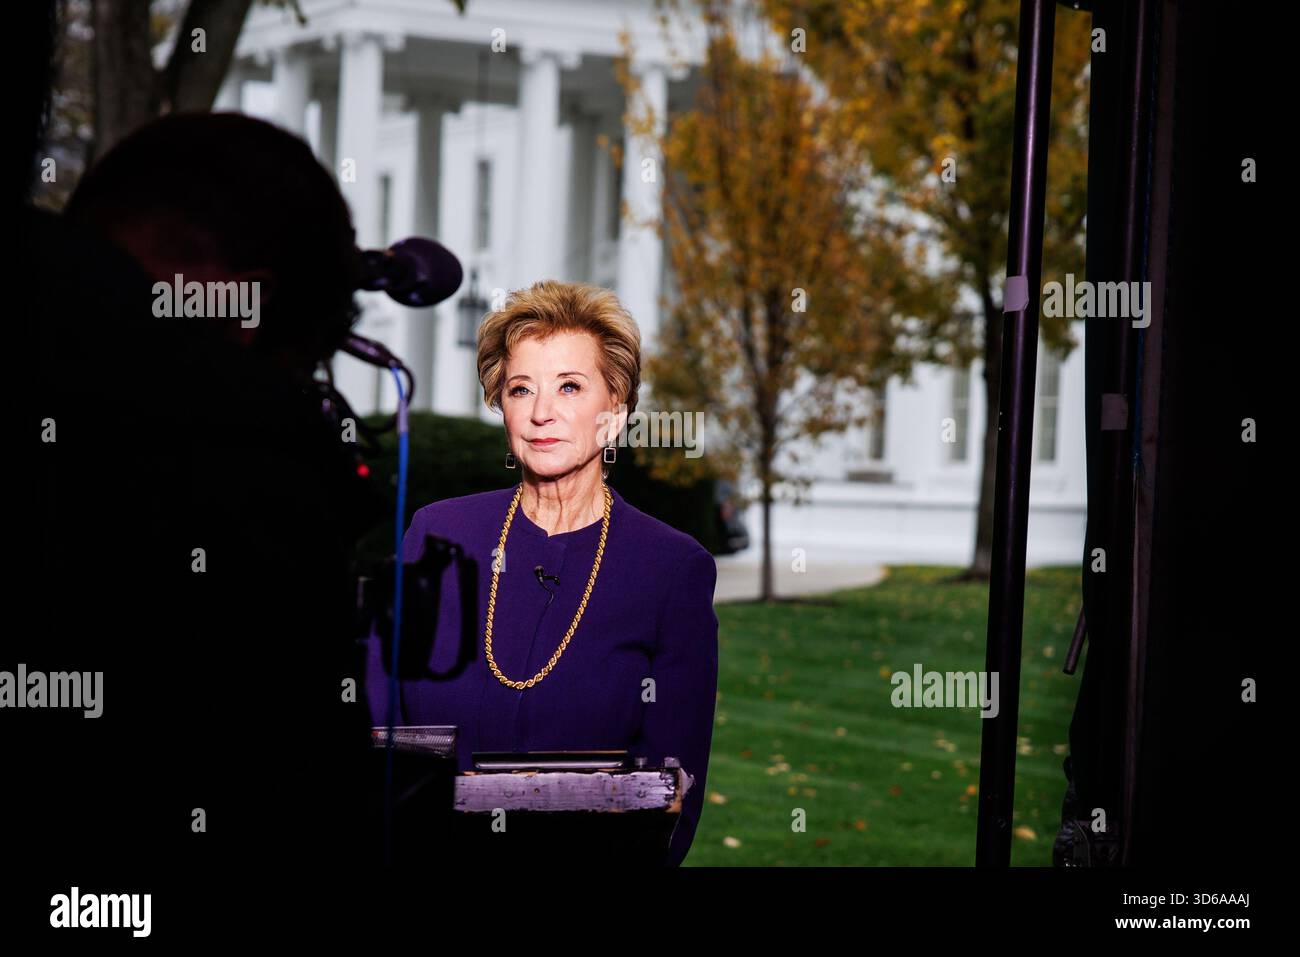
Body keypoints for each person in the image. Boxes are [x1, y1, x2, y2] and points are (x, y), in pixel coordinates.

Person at [365, 280, 720, 866]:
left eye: (570, 387)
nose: (540, 413)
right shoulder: (437, 535)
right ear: (499, 404)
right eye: (520, 388)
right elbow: (380, 726)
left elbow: (671, 786)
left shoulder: (671, 568)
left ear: (615, 411)